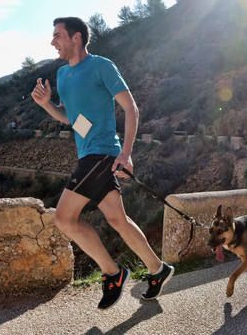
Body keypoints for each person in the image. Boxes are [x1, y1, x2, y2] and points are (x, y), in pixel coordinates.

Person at [31, 17, 174, 310]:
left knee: (64, 218)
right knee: (117, 220)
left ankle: (113, 273)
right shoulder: (62, 75)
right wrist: (47, 105)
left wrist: (126, 153)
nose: (52, 41)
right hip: (88, 154)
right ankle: (158, 269)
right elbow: (71, 119)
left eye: (58, 35)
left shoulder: (101, 66)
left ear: (77, 38)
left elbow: (130, 108)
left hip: (103, 154)